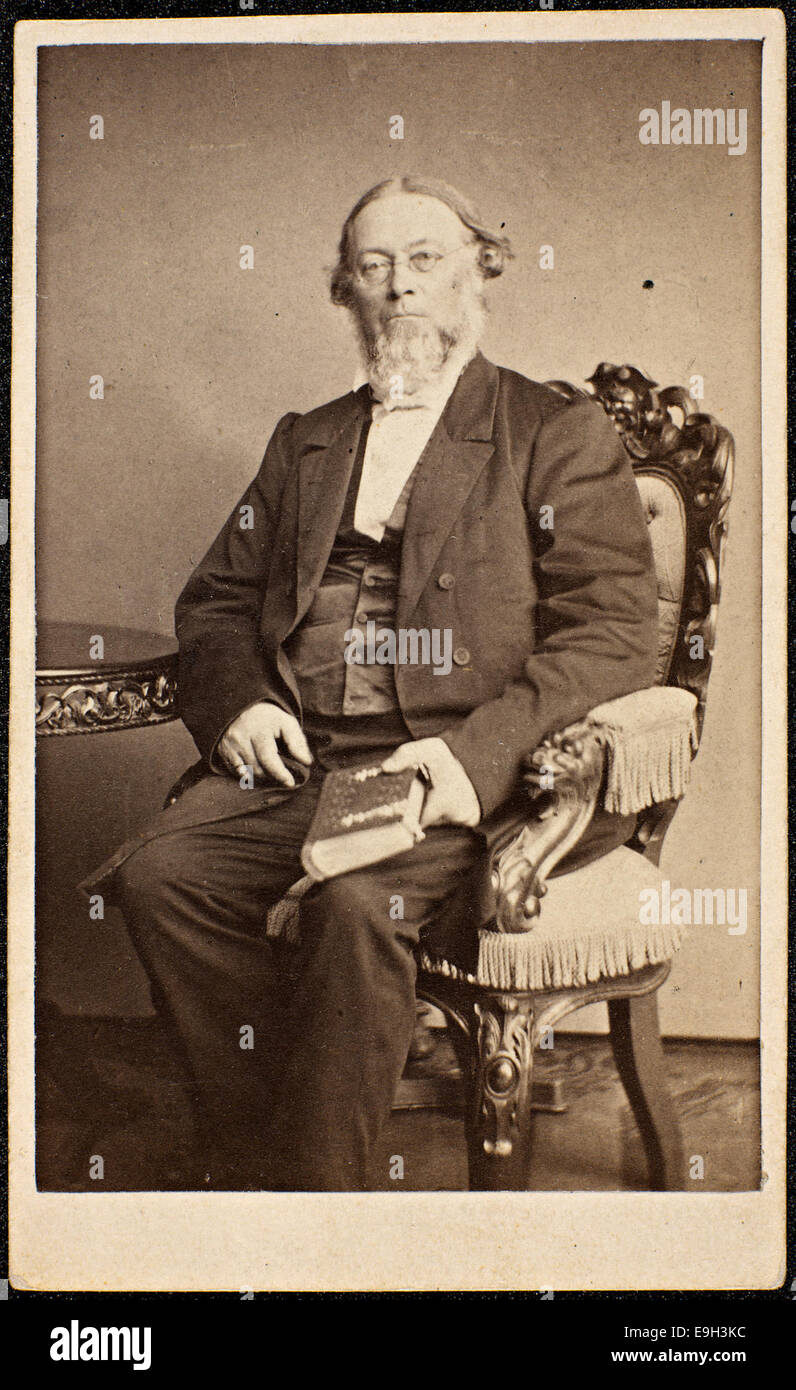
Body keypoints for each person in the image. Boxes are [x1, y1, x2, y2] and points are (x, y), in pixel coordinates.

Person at [83, 175, 659, 1191]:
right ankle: (259, 1141)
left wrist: (469, 757)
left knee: (357, 907)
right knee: (157, 878)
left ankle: (320, 1204)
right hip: (309, 759)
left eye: (425, 260)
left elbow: (609, 632)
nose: (401, 289)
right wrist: (243, 705)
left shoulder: (552, 435)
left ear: (481, 272)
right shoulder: (305, 439)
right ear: (342, 290)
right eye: (374, 265)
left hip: (468, 773)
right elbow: (216, 601)